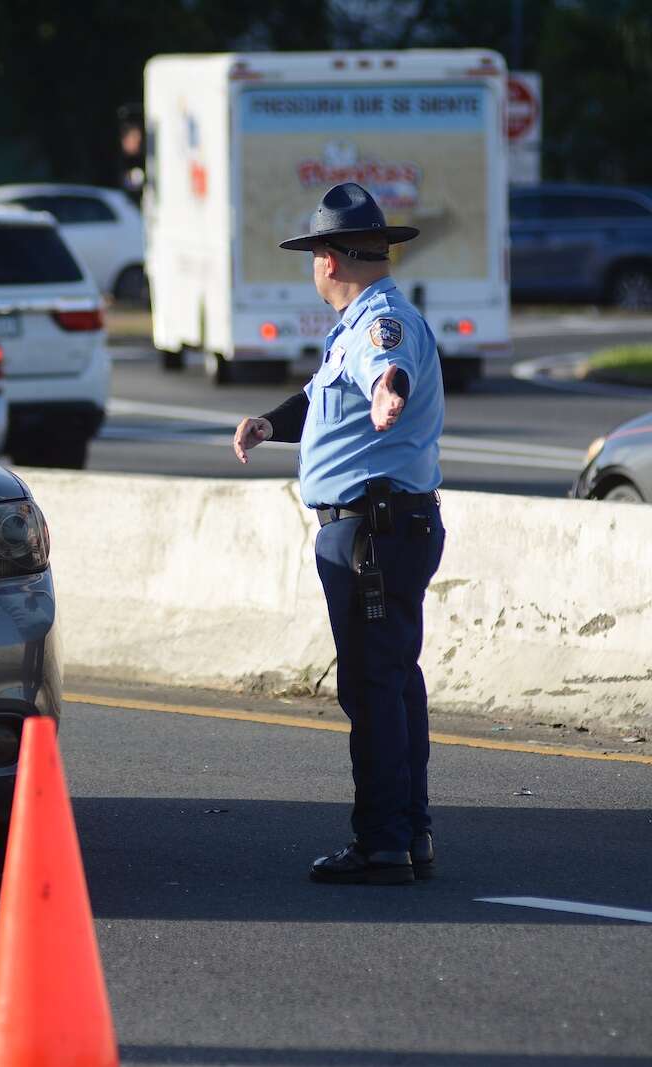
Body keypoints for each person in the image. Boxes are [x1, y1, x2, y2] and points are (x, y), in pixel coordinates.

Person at [232, 182, 447, 886]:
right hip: (381, 528)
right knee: (393, 681)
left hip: (371, 536)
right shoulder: (358, 323)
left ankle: (383, 840)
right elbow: (333, 394)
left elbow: (388, 371)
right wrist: (272, 422)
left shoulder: (381, 324)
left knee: (373, 687)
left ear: (327, 258)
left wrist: (391, 391)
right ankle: (409, 832)